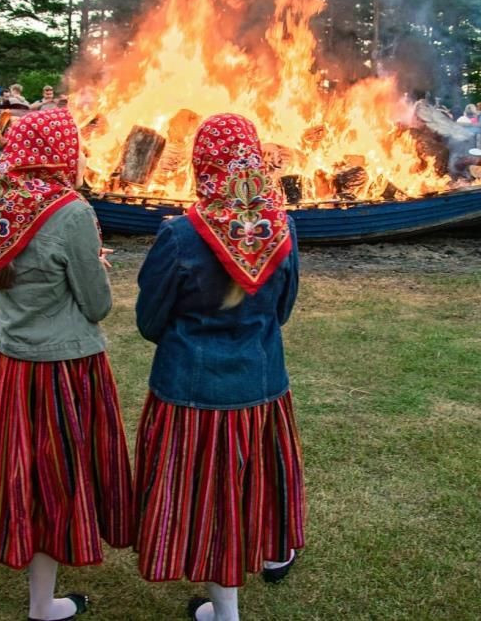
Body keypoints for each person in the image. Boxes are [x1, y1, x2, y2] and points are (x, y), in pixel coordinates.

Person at [132, 113, 306, 621]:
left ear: (202, 164)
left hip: (191, 391)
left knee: (213, 501)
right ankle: (275, 552)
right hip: (261, 382)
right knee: (258, 479)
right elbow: (283, 311)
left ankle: (224, 611)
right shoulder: (283, 226)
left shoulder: (180, 236)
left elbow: (149, 321)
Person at [0, 108, 132, 621]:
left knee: (22, 473)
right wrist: (97, 266)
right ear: (61, 151)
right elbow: (97, 304)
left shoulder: (1, 201)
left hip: (9, 364)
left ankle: (42, 595)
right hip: (63, 368)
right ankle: (44, 605)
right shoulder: (71, 211)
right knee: (57, 475)